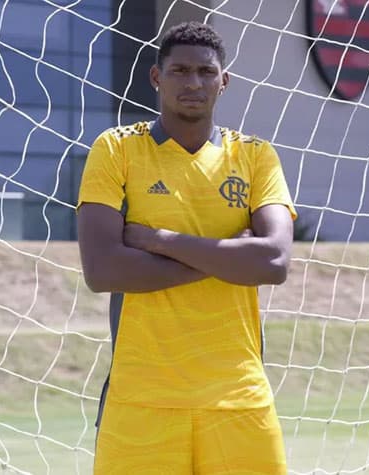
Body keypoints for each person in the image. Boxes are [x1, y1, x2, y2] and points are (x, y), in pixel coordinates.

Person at [76, 20, 296, 474]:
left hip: (237, 396)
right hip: (141, 399)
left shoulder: (255, 156)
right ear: (157, 77)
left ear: (224, 81)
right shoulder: (116, 150)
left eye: (205, 72)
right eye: (179, 71)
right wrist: (228, 257)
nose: (193, 83)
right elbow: (103, 270)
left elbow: (273, 260)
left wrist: (160, 241)